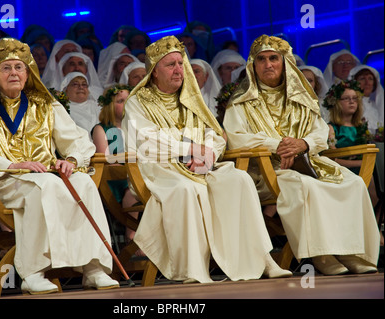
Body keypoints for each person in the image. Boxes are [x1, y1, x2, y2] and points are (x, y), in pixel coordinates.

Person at [0, 38, 119, 294]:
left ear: (28, 73)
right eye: (6, 68)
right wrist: (12, 164)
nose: (14, 73)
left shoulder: (45, 104)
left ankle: (93, 268)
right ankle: (33, 272)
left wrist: (70, 160)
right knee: (46, 185)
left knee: (82, 181)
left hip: (46, 176)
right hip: (3, 182)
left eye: (19, 67)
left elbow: (78, 140)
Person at [122, 35, 291, 284]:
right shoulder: (137, 102)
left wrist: (209, 152)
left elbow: (217, 135)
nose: (179, 69)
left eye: (181, 64)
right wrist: (191, 149)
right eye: (171, 65)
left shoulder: (191, 99)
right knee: (187, 189)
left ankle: (262, 258)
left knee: (239, 180)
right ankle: (194, 268)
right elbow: (149, 141)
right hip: (159, 168)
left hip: (201, 165)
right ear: (154, 72)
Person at [224, 35, 380, 276]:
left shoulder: (301, 98)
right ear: (253, 65)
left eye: (274, 58)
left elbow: (319, 132)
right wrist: (279, 146)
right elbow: (236, 138)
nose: (268, 65)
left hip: (309, 161)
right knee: (303, 185)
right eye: (261, 60)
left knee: (353, 183)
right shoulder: (241, 102)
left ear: (284, 62)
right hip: (266, 170)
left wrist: (302, 144)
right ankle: (321, 253)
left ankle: (351, 252)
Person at [324, 80, 382, 246]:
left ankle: (375, 224)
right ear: (336, 103)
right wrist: (361, 165)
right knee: (372, 180)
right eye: (346, 98)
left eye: (355, 98)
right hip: (343, 171)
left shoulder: (361, 126)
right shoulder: (331, 128)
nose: (351, 102)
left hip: (365, 168)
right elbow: (331, 159)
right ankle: (370, 231)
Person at [91, 84, 143, 255]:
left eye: (129, 100)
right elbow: (105, 159)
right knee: (132, 191)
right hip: (116, 180)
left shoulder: (137, 129)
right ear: (110, 105)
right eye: (121, 101)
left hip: (137, 176)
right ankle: (132, 234)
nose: (126, 104)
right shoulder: (101, 129)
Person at [60, 72, 101, 137]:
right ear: (66, 89)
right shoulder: (61, 109)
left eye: (84, 84)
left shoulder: (98, 107)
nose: (81, 87)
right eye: (75, 84)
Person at [348, 64, 384, 131]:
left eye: (370, 79)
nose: (367, 83)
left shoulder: (377, 106)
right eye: (362, 79)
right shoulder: (350, 105)